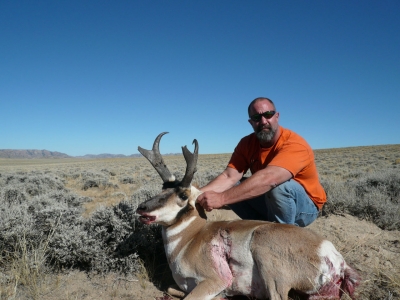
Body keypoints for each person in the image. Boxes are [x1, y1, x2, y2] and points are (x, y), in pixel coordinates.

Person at [196, 97, 326, 227]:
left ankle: (283, 234)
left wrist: (222, 198)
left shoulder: (295, 144)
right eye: (257, 118)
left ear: (277, 116)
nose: (263, 121)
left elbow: (270, 179)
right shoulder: (246, 144)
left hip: (305, 208)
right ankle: (260, 228)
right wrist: (193, 195)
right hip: (271, 200)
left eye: (268, 115)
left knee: (280, 187)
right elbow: (229, 177)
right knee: (234, 186)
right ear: (251, 122)